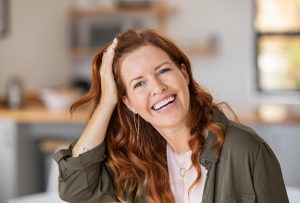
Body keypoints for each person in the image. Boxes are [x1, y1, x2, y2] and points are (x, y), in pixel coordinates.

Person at [53, 28, 289, 203]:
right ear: (128, 103)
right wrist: (106, 102)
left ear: (184, 73)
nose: (157, 87)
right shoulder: (137, 166)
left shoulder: (245, 149)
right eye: (139, 84)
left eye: (163, 71)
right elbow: (75, 188)